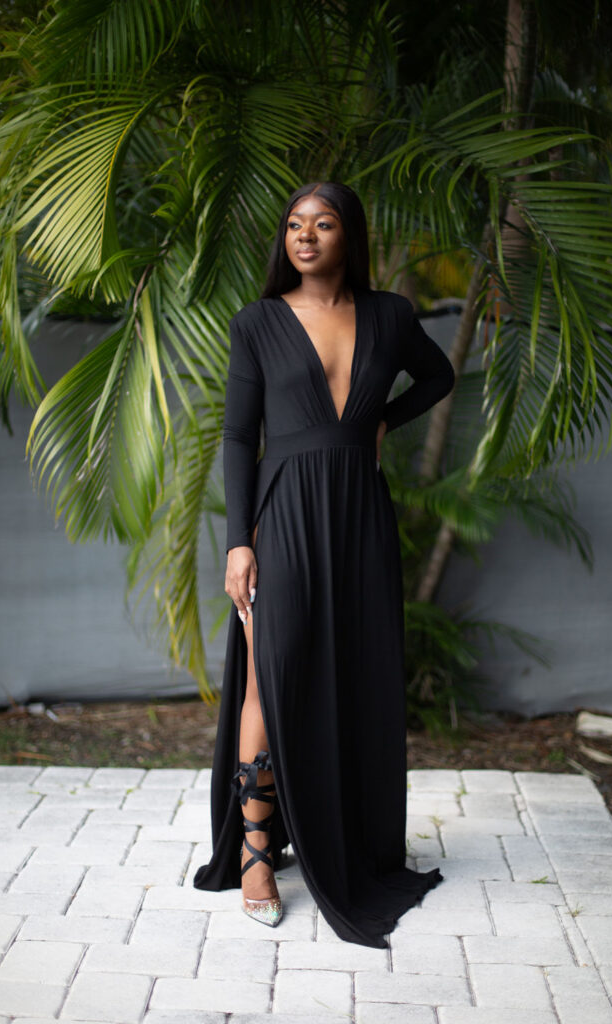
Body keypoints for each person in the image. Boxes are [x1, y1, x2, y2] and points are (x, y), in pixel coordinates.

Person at [193, 181, 455, 949]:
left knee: (353, 669)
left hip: (359, 518)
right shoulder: (258, 322)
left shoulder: (389, 315)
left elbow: (436, 377)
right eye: (294, 225)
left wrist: (381, 417)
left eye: (324, 223)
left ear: (350, 236)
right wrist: (240, 540)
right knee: (269, 674)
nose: (305, 236)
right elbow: (239, 437)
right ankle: (254, 855)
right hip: (283, 518)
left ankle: (341, 836)